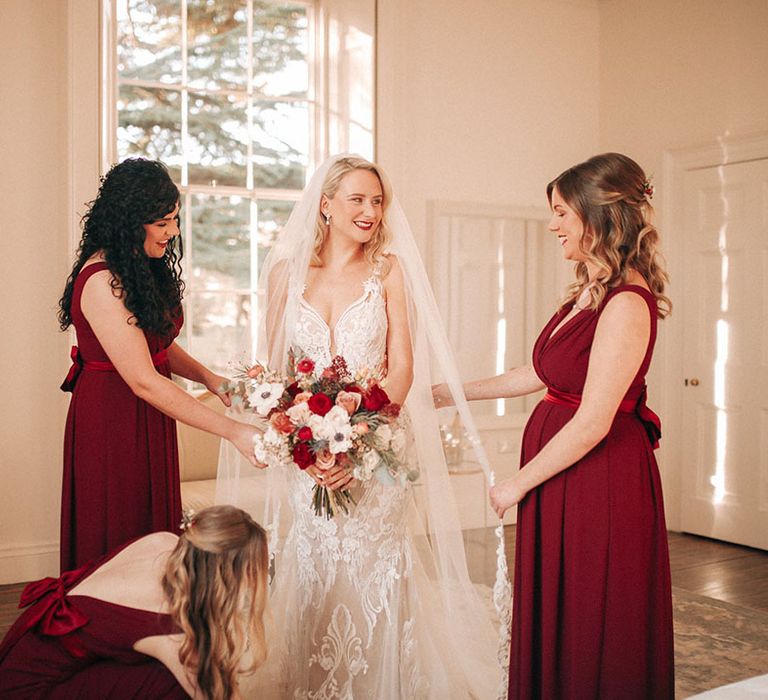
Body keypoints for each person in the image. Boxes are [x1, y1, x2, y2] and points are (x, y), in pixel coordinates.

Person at [216, 155, 504, 698]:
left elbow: (402, 371)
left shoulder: (388, 271)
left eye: (377, 201)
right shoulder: (285, 274)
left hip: (374, 455)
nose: (370, 211)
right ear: (325, 205)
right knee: (315, 566)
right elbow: (277, 370)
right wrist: (302, 436)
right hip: (308, 458)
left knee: (372, 568)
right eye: (357, 199)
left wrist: (360, 440)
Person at [434, 152, 674, 699]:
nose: (553, 225)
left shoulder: (626, 302)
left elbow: (592, 421)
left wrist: (517, 483)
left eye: (563, 212)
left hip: (600, 480)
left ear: (598, 216)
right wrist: (450, 392)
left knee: (595, 607)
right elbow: (540, 372)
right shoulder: (589, 291)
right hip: (563, 476)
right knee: (561, 602)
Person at [57, 158, 260, 571]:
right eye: (163, 222)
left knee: (154, 540)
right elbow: (144, 379)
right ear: (132, 220)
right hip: (113, 423)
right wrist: (233, 430)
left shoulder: (134, 269)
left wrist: (210, 378)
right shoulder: (101, 281)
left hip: (145, 416)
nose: (174, 232)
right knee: (121, 540)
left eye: (175, 220)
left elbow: (153, 344)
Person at [0, 505, 269, 699]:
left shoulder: (162, 542)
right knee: (173, 686)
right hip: (27, 691)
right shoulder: (170, 629)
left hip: (15, 663)